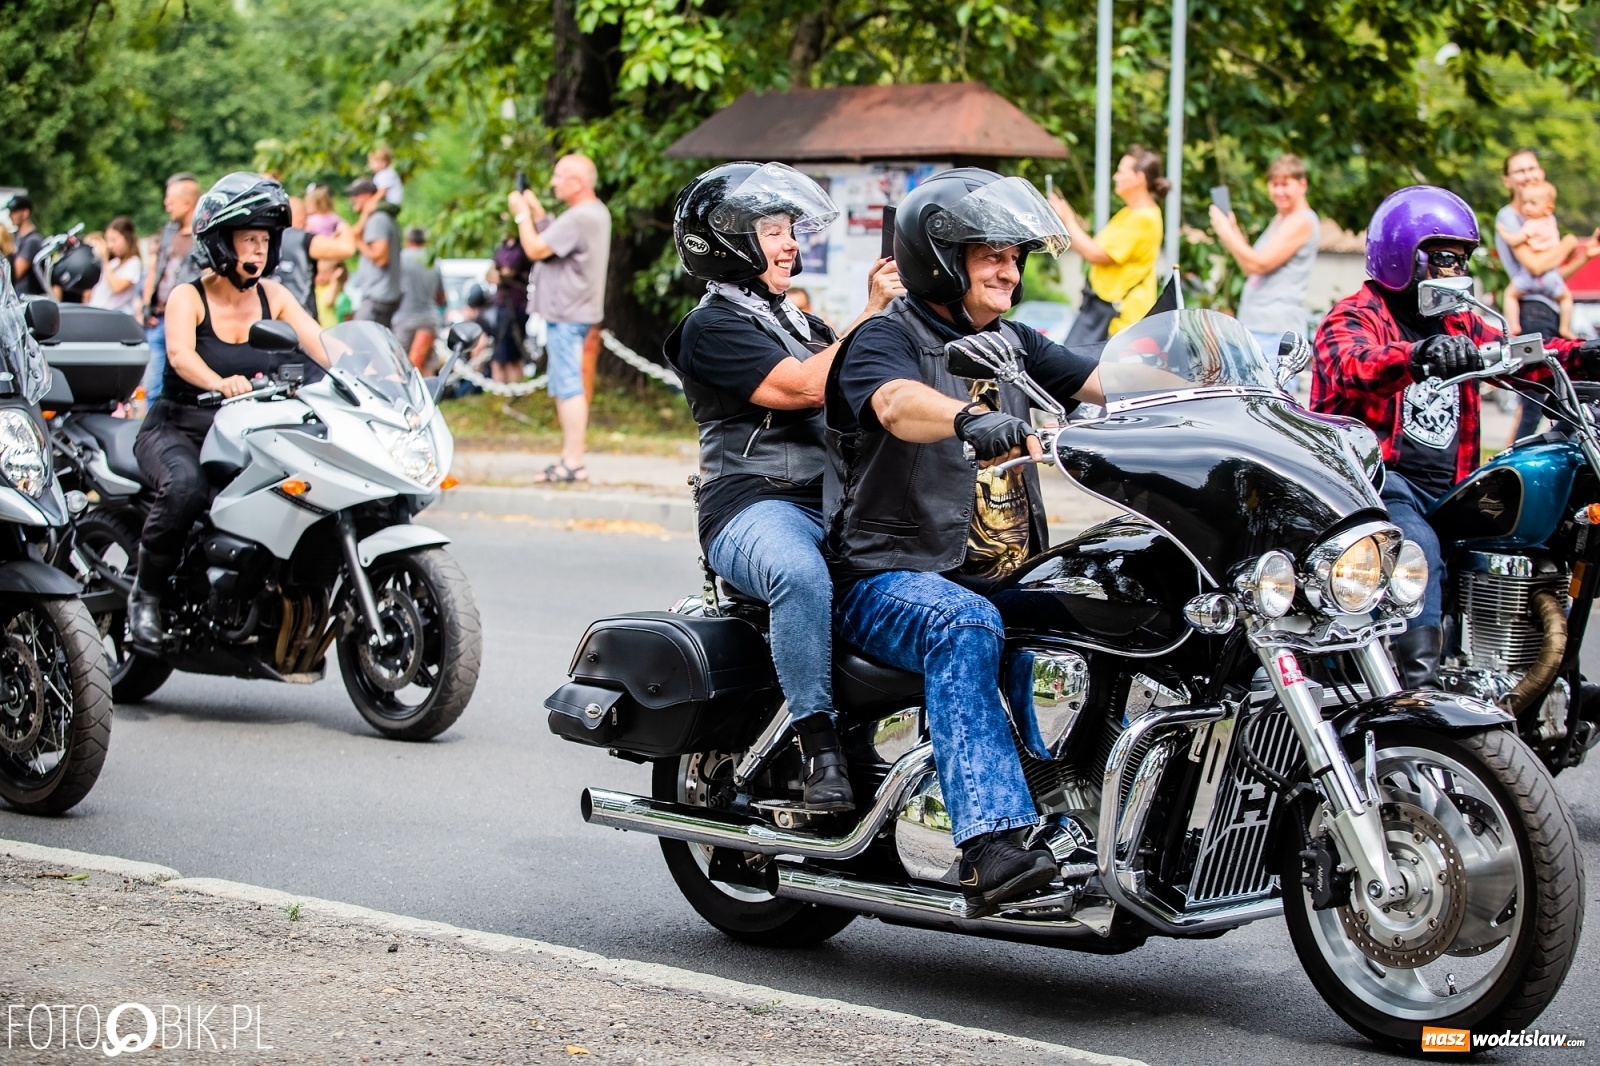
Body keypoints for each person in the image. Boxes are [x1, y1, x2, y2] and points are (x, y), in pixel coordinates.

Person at [824, 168, 1105, 914]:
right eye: (990, 254)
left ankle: (1084, 810)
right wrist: (965, 419)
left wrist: (1218, 384)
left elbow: (1109, 379)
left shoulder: (1011, 343)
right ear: (942, 260)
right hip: (887, 577)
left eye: (1015, 255)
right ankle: (990, 843)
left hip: (996, 571)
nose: (1009, 268)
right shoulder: (887, 337)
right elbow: (893, 403)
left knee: (1110, 600)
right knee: (962, 622)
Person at [665, 162, 905, 812]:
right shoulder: (709, 326)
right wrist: (873, 312)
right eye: (774, 230)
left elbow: (863, 384)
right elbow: (801, 386)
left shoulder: (804, 323)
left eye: (792, 229)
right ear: (729, 239)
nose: (791, 243)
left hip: (833, 501)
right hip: (751, 505)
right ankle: (818, 744)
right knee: (799, 576)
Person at [1310, 185, 1600, 687]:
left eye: (1463, 260)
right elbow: (1352, 365)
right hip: (1376, 485)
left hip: (1449, 490)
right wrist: (1417, 356)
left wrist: (1582, 355)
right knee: (1415, 548)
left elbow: (1522, 354)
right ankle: (1416, 697)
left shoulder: (1463, 321)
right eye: (1445, 258)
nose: (1456, 272)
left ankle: (1526, 673)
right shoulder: (1355, 315)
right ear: (1405, 255)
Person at [127, 174, 330, 647]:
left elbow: (319, 341)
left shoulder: (273, 296)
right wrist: (220, 383)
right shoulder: (188, 296)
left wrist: (370, 374)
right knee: (186, 488)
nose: (258, 250)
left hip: (243, 432)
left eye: (264, 240)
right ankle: (146, 595)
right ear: (222, 242)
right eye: (248, 239)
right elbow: (179, 355)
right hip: (179, 428)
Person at [507, 154, 611, 483]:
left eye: (558, 176)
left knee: (569, 386)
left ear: (577, 183)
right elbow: (555, 241)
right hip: (573, 311)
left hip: (568, 313)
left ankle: (574, 462)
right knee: (565, 383)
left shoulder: (581, 216)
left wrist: (522, 215)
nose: (553, 183)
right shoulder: (592, 213)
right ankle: (570, 457)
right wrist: (538, 214)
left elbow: (537, 249)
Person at [1048, 146, 1165, 343]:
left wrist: (1068, 220)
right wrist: (1064, 220)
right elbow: (1090, 248)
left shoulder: (1145, 218)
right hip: (1101, 311)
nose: (1115, 177)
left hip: (1120, 319)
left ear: (1139, 178)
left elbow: (1096, 254)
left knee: (1075, 367)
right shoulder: (1128, 214)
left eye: (1121, 171)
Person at [1209, 155, 1320, 358]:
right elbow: (1248, 266)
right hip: (1257, 326)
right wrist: (1232, 229)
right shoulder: (1281, 218)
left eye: (1285, 184)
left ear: (1302, 185)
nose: (1278, 191)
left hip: (1276, 331)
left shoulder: (1301, 221)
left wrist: (1226, 232)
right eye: (1274, 184)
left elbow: (1258, 265)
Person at [1502, 181, 1594, 340]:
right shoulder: (1551, 222)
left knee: (1510, 295)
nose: (1527, 208)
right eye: (1524, 203)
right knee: (1566, 298)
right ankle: (1565, 328)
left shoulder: (1531, 224)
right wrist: (1570, 246)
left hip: (1529, 279)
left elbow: (1517, 241)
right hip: (1551, 277)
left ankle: (1513, 325)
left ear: (1548, 208)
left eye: (1532, 203)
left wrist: (1503, 232)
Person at [141, 173, 204, 403]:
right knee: (153, 387)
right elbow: (154, 269)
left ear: (188, 203)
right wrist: (147, 304)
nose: (166, 205)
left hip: (188, 322)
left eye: (171, 200)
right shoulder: (168, 232)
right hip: (159, 320)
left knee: (187, 385)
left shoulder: (203, 236)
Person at [345, 178, 402, 326]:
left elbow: (381, 258)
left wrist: (358, 242)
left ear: (367, 196)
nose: (352, 200)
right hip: (382, 295)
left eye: (355, 195)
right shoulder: (381, 217)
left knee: (359, 339)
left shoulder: (378, 219)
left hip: (378, 297)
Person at [394, 227, 445, 370]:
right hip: (429, 318)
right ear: (425, 240)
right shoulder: (433, 261)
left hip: (404, 319)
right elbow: (441, 297)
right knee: (426, 364)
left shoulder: (399, 259)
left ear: (408, 240)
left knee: (400, 366)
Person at [486, 228, 532, 384]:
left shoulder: (522, 248)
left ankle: (515, 389)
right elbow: (491, 275)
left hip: (517, 305)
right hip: (501, 305)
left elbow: (508, 272)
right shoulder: (501, 248)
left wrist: (503, 274)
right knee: (500, 355)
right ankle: (501, 392)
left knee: (513, 356)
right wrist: (501, 274)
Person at [88, 216, 144, 317]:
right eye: (108, 241)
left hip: (116, 317)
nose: (110, 245)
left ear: (127, 238)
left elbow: (116, 287)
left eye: (114, 240)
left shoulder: (133, 263)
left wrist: (104, 260)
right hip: (99, 314)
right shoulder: (114, 263)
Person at [7, 194, 45, 297]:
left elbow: (14, 274)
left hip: (24, 298)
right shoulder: (14, 237)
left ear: (25, 213)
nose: (10, 215)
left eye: (14, 212)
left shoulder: (32, 240)